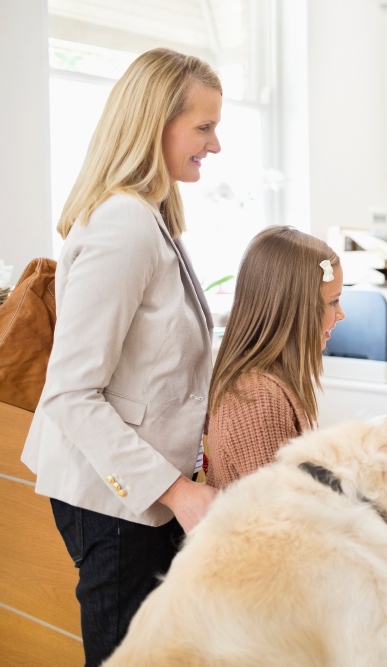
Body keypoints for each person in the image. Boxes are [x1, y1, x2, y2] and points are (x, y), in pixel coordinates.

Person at [21, 49, 223, 665]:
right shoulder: (123, 227)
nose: (214, 146)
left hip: (143, 499)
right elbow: (70, 394)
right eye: (204, 127)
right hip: (113, 505)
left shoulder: (154, 220)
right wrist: (178, 493)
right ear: (154, 125)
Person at [205, 226, 344, 489]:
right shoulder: (258, 397)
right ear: (296, 307)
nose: (341, 314)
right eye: (333, 302)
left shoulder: (274, 384)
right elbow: (283, 516)